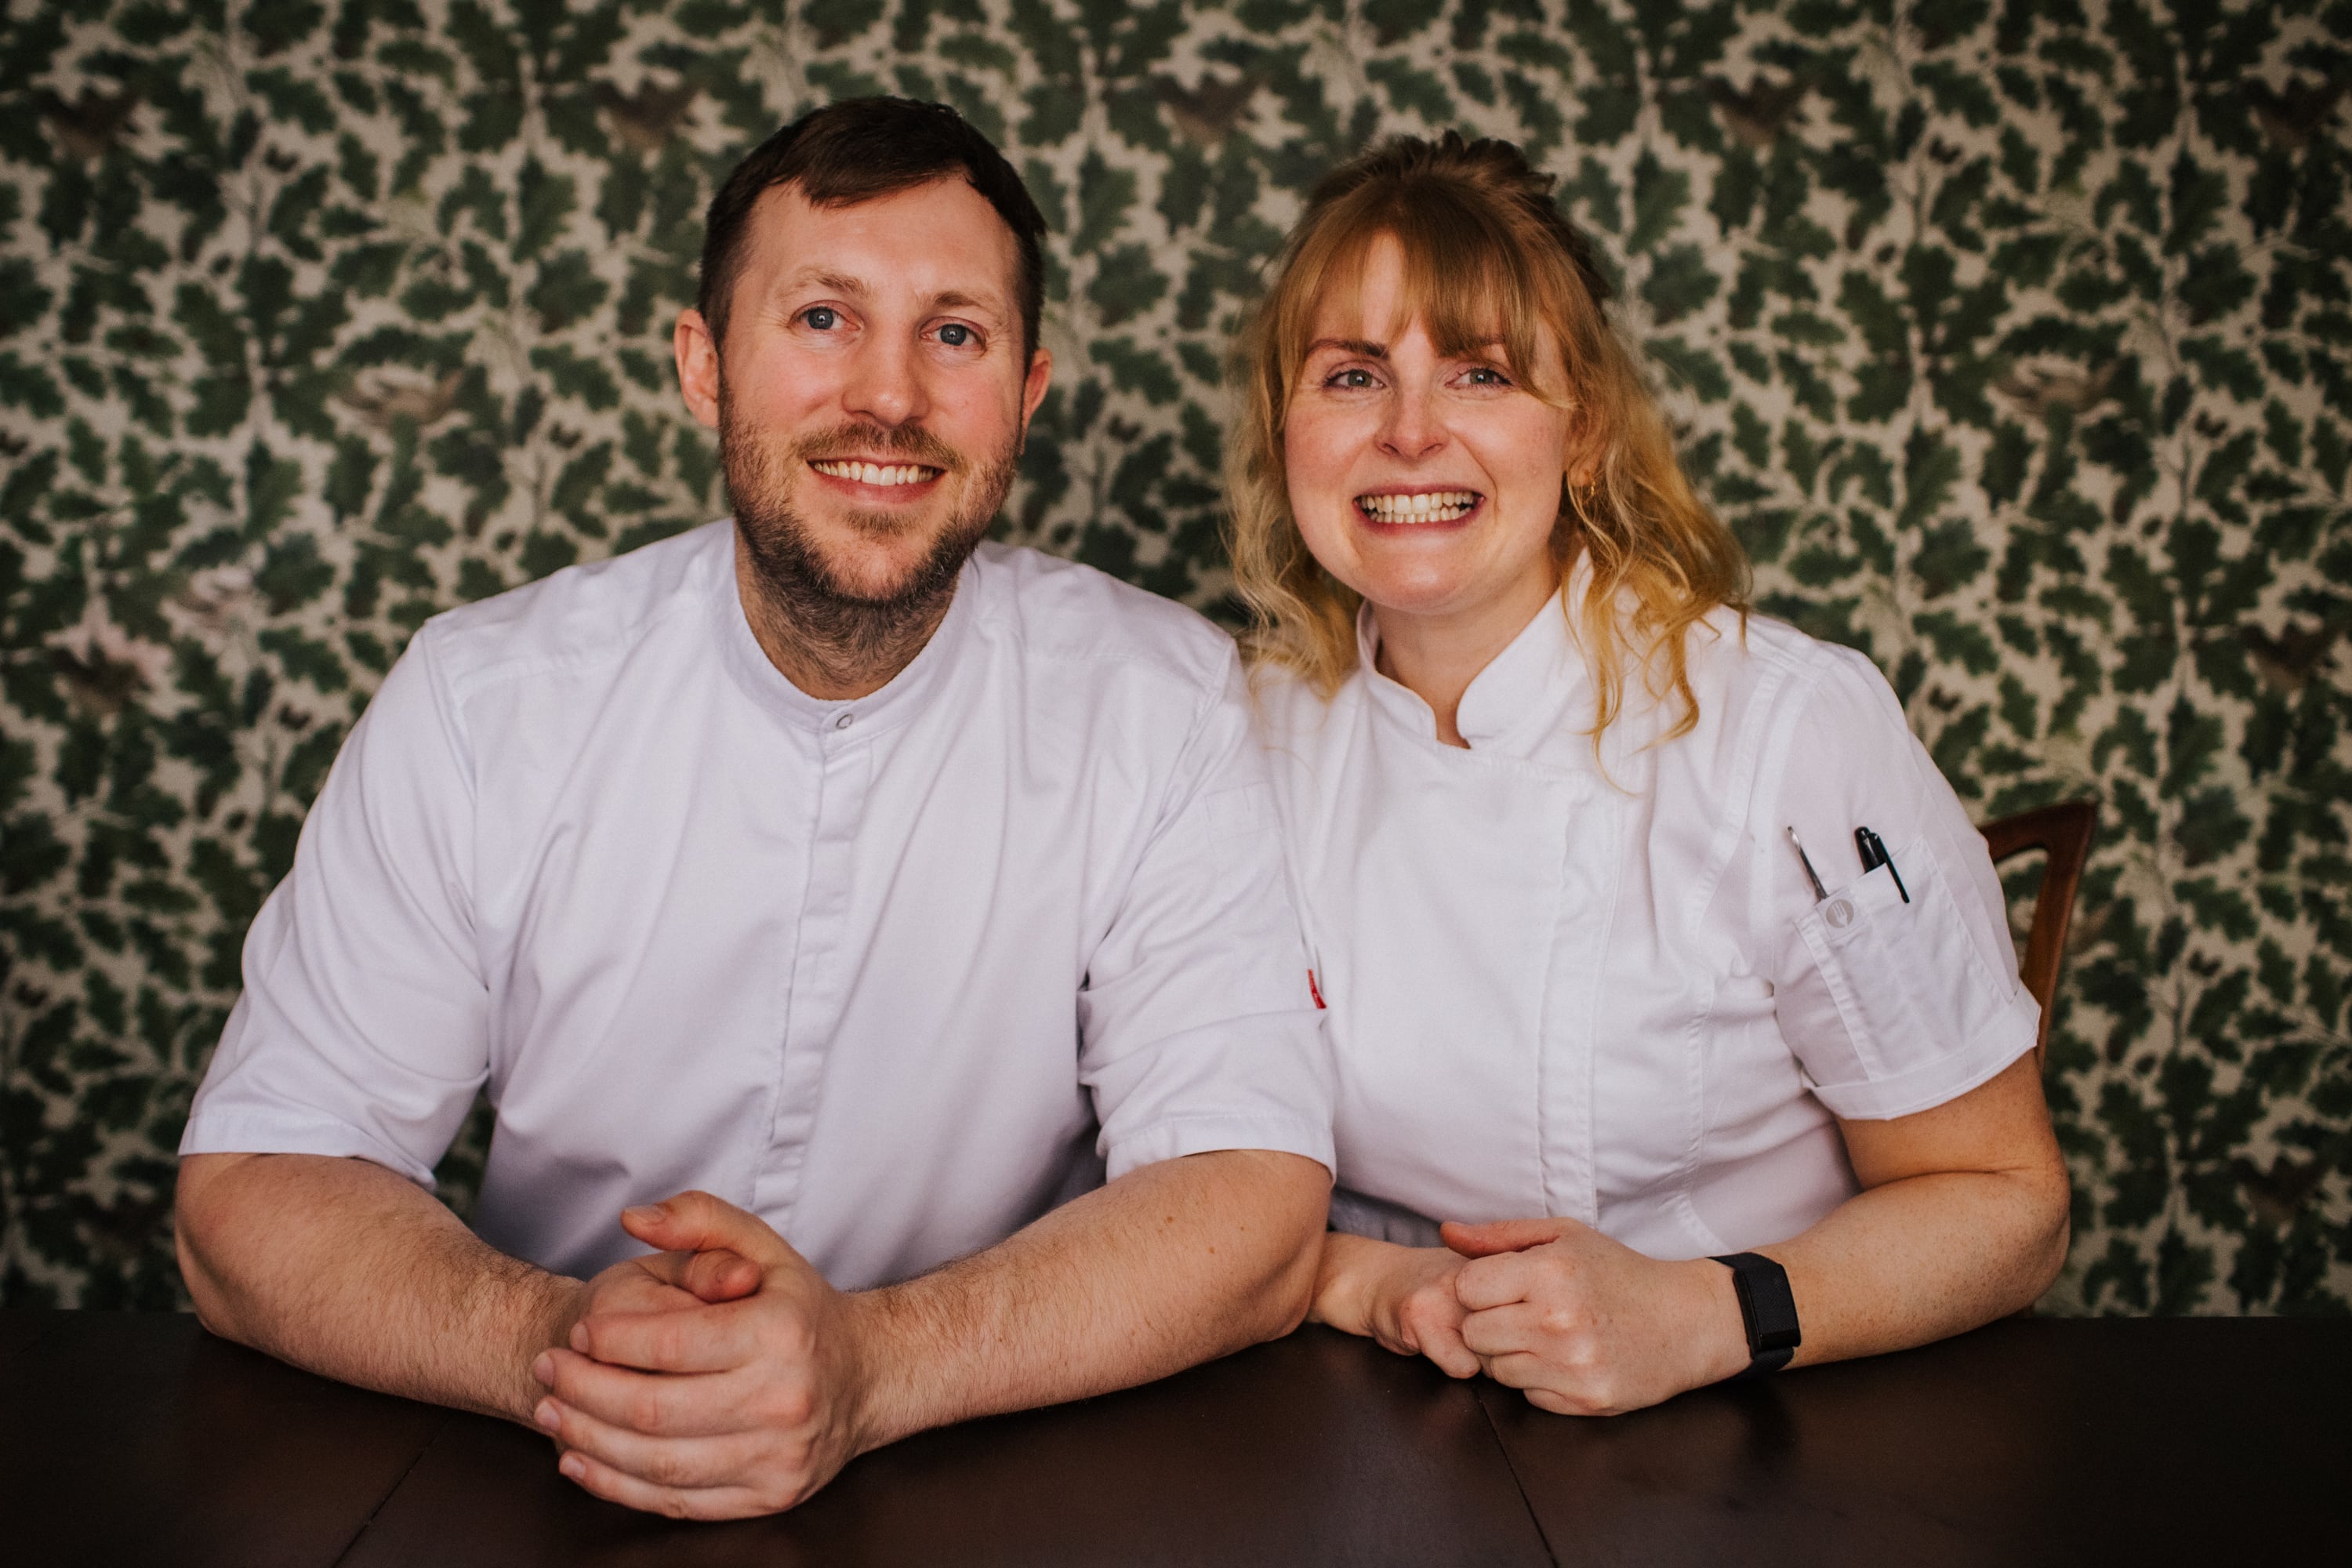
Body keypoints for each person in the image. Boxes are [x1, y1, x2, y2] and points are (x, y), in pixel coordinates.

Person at [174, 97, 1336, 1519]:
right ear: (704, 365)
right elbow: (257, 1185)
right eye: (823, 319)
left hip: (1005, 1483)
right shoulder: (482, 699)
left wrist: (871, 1366)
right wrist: (562, 1347)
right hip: (551, 1471)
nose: (891, 398)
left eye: (954, 333)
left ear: (1026, 396)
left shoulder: (1164, 701)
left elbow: (1249, 1201)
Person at [1229, 132, 2071, 1416]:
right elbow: (1180, 1167)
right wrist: (1371, 1283)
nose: (1409, 433)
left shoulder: (1786, 728)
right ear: (1287, 429)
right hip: (1350, 1418)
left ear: (1582, 431)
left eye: (1480, 374)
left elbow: (2007, 1208)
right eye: (1351, 375)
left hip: (1751, 1428)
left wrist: (1702, 1315)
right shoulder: (1241, 739)